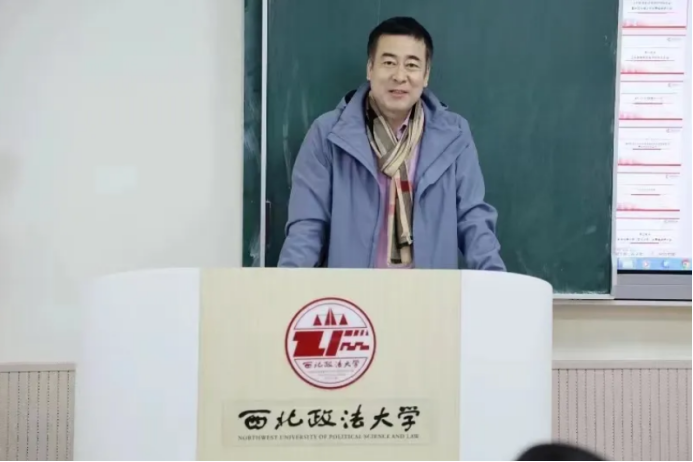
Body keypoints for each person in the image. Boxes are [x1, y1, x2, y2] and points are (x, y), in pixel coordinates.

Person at [277, 16, 506, 271]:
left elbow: (473, 219)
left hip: (430, 291)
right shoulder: (327, 134)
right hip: (353, 293)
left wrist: (496, 279)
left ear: (426, 75)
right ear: (370, 69)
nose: (399, 76)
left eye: (412, 65)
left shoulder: (454, 135)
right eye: (388, 63)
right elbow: (307, 227)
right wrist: (288, 284)